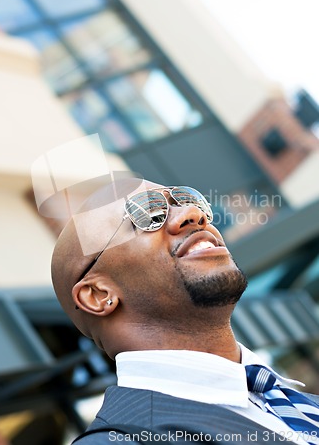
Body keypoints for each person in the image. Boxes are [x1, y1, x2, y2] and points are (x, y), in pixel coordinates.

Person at [51, 178, 319, 444]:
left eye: (190, 200)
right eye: (148, 212)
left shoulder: (301, 405)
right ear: (98, 295)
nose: (194, 215)